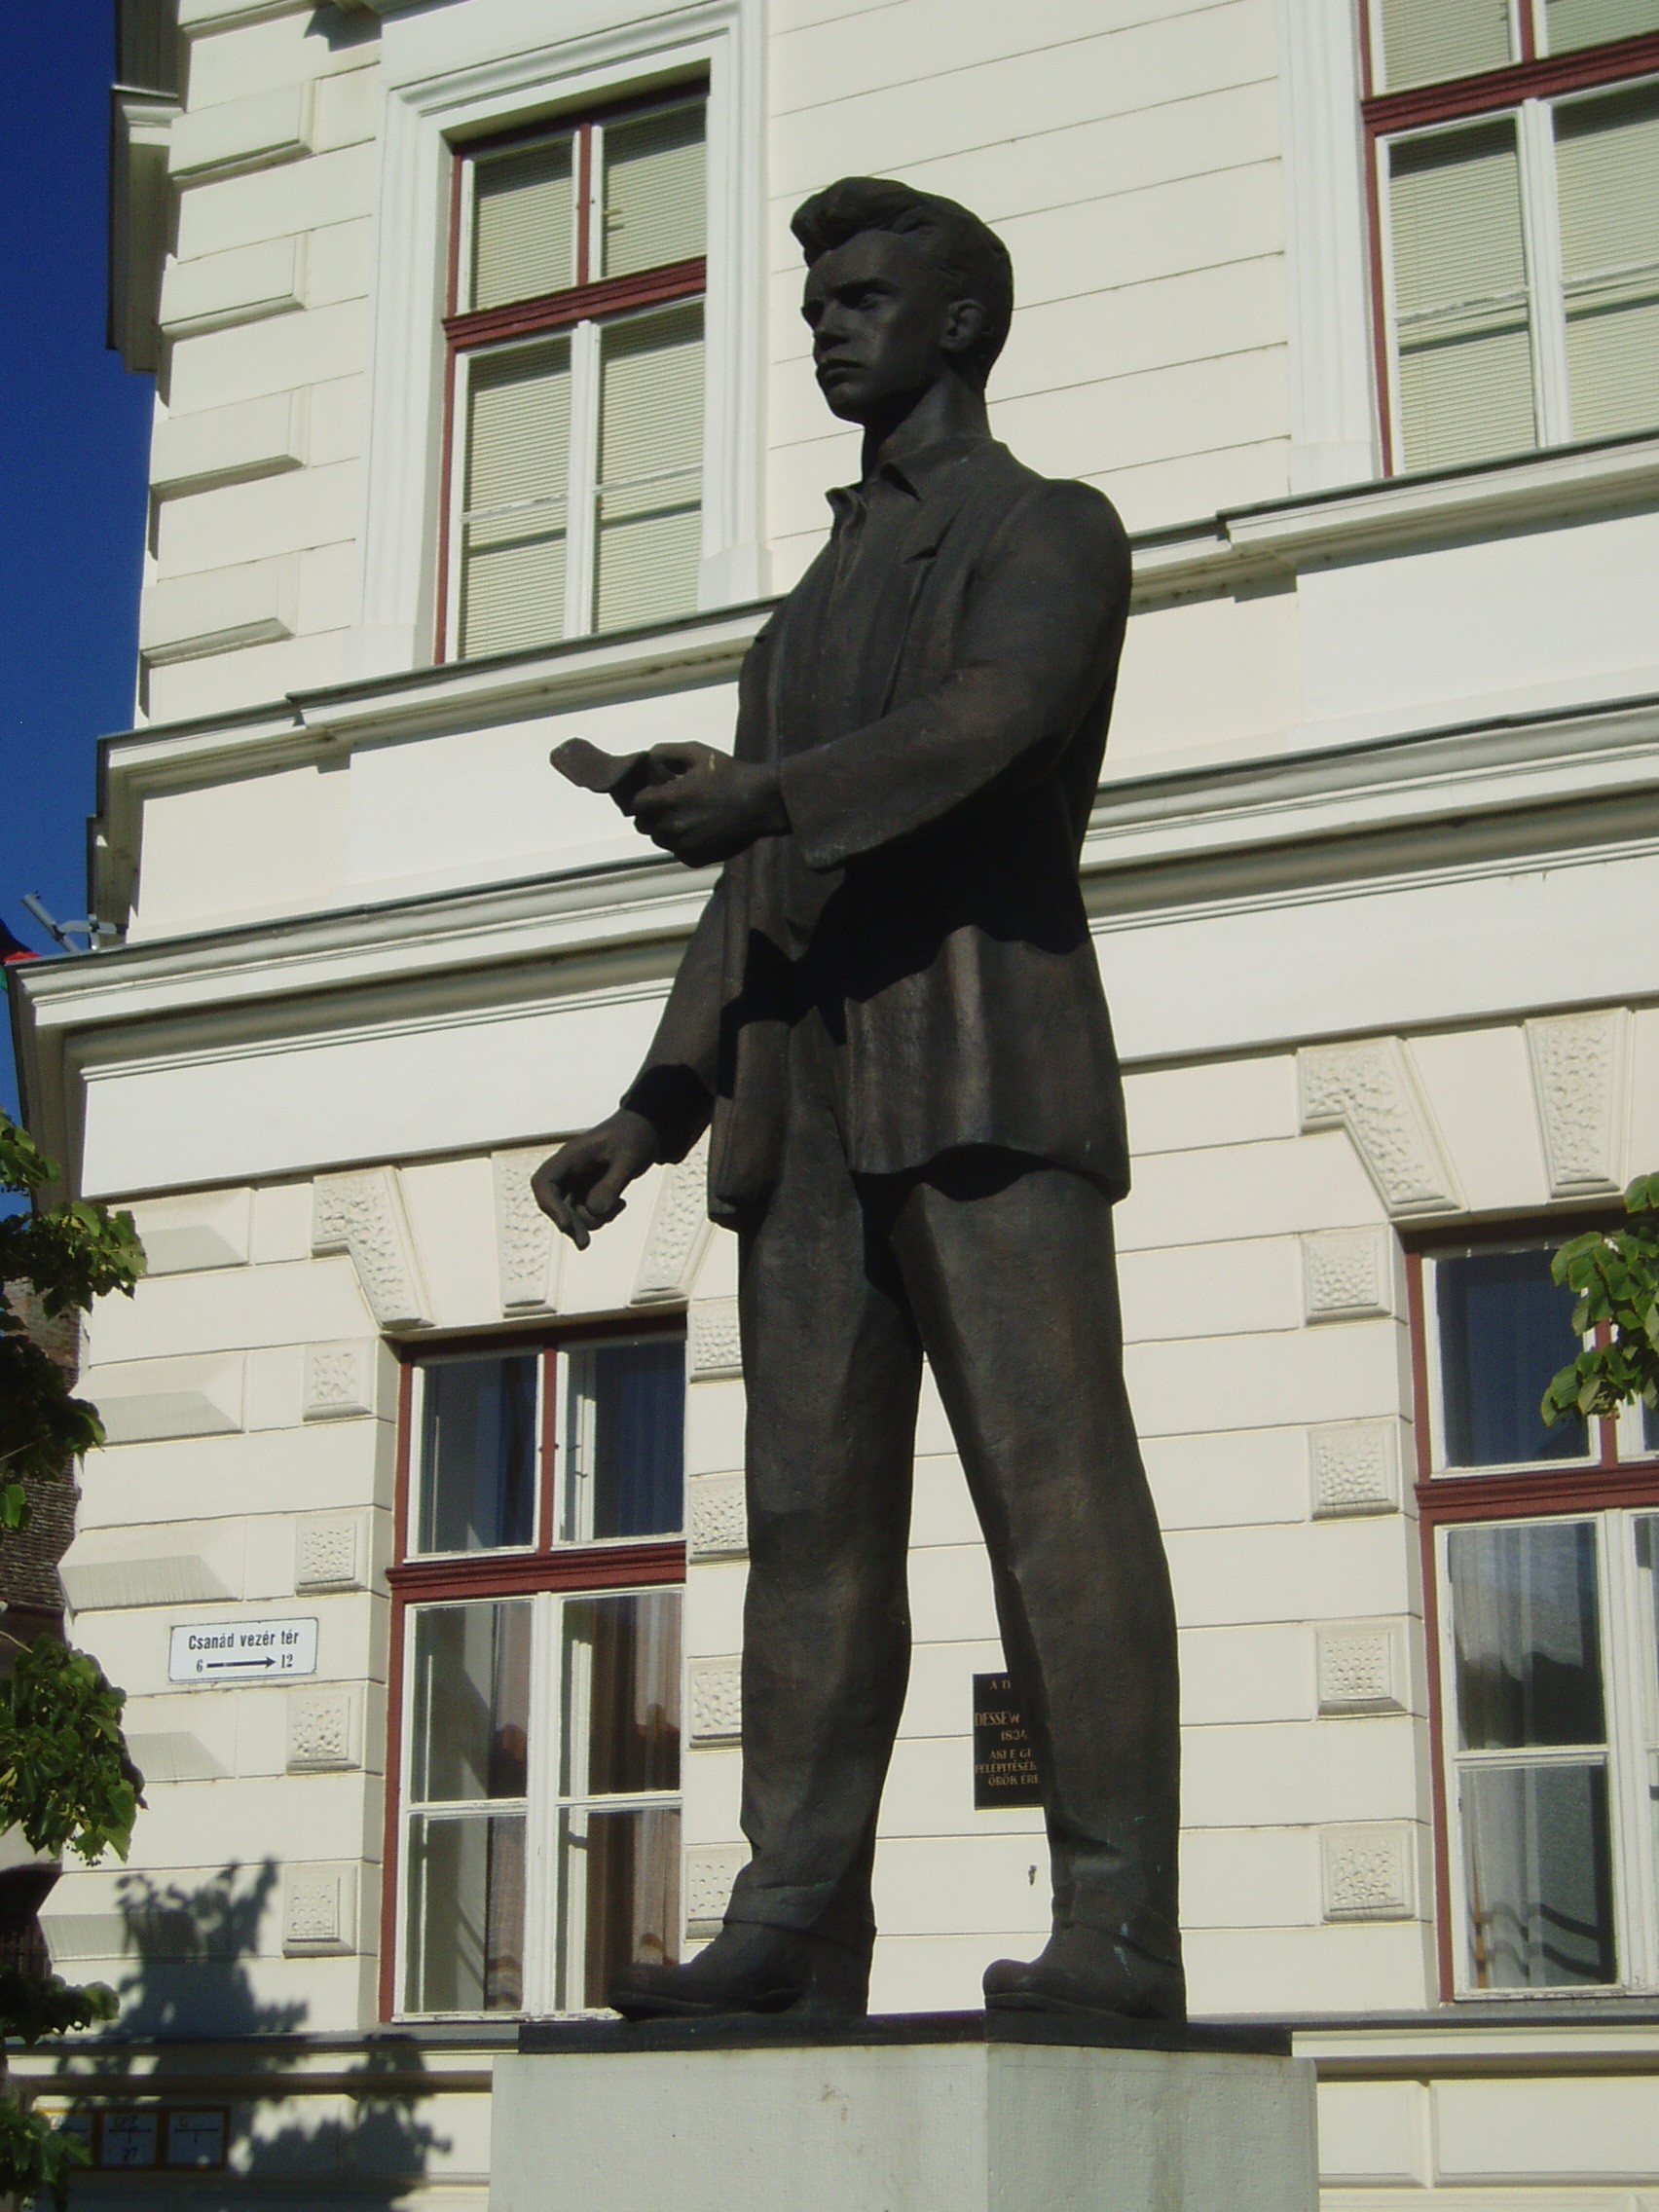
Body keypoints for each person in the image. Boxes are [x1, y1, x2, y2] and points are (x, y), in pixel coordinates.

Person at [534, 176, 1183, 2024]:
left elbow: (998, 717)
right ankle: (795, 1922)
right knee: (807, 1532)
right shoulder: (796, 622)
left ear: (958, 323)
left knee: (1054, 1492)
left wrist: (770, 793)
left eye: (864, 297)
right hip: (802, 1112)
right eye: (817, 301)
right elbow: (758, 892)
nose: (827, 324)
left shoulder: (1049, 528)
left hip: (981, 1065)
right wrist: (653, 1106)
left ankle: (1118, 1923)